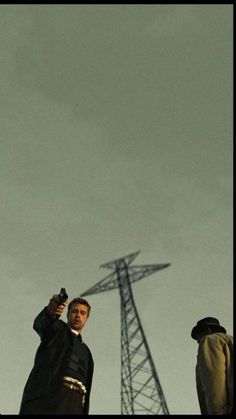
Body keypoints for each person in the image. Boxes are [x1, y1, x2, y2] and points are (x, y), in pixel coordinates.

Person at [19, 293, 94, 415]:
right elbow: (41, 324)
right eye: (74, 311)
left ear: (86, 318)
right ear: (68, 314)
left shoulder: (87, 353)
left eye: (82, 313)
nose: (78, 315)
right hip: (49, 400)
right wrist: (50, 311)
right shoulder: (56, 329)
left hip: (75, 405)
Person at [191, 317, 233, 415]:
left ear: (208, 330)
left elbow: (214, 378)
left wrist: (217, 412)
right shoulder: (230, 340)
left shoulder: (210, 340)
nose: (198, 342)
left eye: (198, 337)